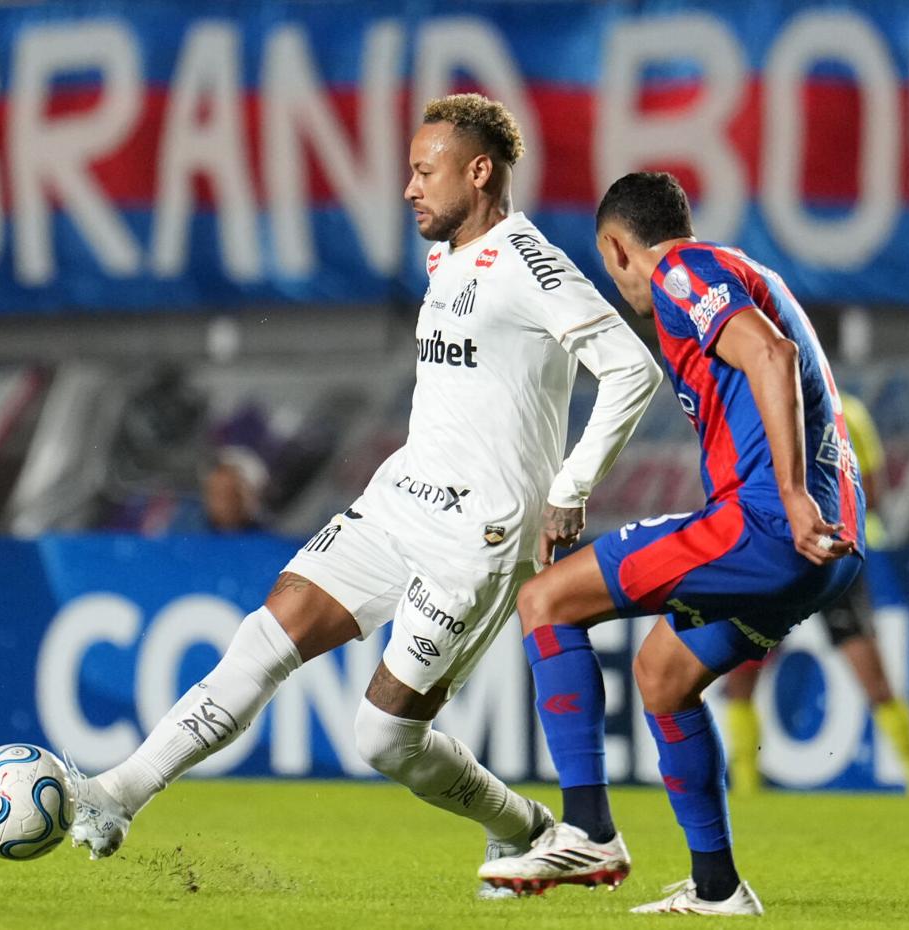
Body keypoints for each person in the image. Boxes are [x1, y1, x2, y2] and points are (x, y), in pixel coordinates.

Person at [68, 95, 663, 897]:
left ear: (479, 170)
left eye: (425, 171)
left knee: (383, 738)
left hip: (480, 533)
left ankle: (528, 828)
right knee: (263, 636)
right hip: (400, 500)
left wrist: (572, 485)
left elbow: (633, 368)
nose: (410, 188)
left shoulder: (528, 263)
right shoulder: (447, 258)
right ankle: (117, 797)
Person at [480, 172, 864, 916]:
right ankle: (718, 889)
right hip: (828, 548)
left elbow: (773, 356)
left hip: (772, 527)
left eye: (608, 263)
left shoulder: (685, 273)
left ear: (620, 249)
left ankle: (589, 828)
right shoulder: (745, 271)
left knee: (546, 599)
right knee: (662, 674)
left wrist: (788, 498)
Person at [722, 392, 909, 798]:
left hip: (825, 554)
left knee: (870, 673)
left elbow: (869, 487)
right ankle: (746, 786)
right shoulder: (765, 407)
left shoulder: (845, 413)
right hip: (785, 553)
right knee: (743, 669)